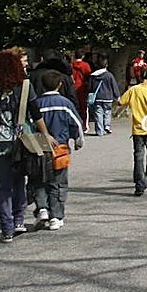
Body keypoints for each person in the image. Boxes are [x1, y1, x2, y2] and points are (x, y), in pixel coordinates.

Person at [0, 49, 49, 243]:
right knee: (20, 182)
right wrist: (46, 135)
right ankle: (19, 221)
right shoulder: (25, 86)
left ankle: (6, 229)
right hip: (23, 140)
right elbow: (36, 114)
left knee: (4, 187)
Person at [34, 70, 84, 230]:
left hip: (39, 148)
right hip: (59, 148)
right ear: (60, 85)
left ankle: (42, 208)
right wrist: (78, 140)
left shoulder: (36, 103)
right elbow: (76, 123)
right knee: (58, 183)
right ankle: (56, 216)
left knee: (40, 180)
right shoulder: (65, 103)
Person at [117, 67, 147, 196]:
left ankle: (139, 183)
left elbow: (121, 102)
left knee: (138, 155)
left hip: (137, 127)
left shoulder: (134, 90)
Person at [85, 52, 120, 136]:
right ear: (106, 65)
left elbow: (90, 88)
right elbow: (114, 86)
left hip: (97, 97)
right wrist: (117, 96)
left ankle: (99, 130)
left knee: (98, 113)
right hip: (108, 97)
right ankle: (107, 126)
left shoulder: (93, 76)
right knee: (107, 112)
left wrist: (89, 94)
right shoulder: (109, 75)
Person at [71, 50, 92, 133]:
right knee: (83, 107)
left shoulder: (71, 65)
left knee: (75, 107)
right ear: (82, 56)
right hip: (83, 87)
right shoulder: (85, 65)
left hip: (73, 87)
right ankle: (84, 125)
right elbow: (89, 76)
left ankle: (75, 124)